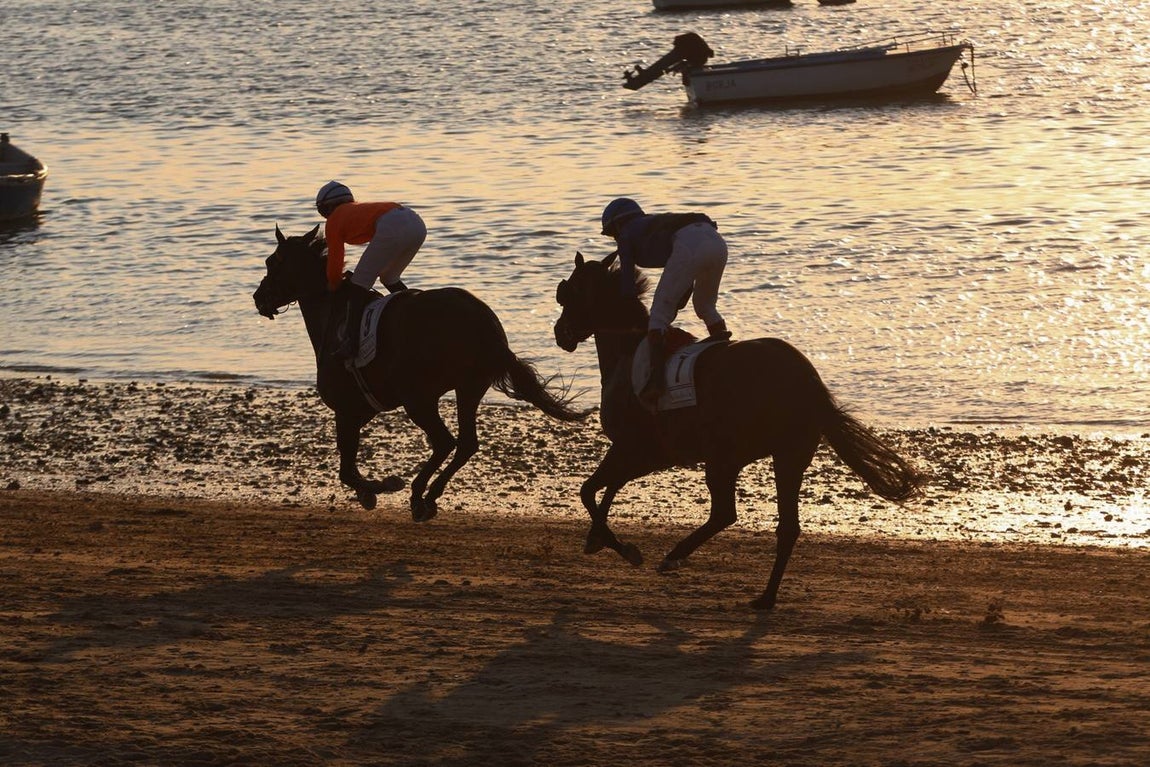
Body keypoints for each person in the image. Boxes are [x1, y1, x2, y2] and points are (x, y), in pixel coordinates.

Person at [600, 197, 731, 404]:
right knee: (705, 305)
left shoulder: (626, 234)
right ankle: (726, 349)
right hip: (716, 241)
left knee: (658, 317)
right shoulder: (652, 226)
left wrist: (630, 307)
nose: (615, 238)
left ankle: (656, 379)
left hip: (690, 243)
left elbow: (627, 280)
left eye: (611, 233)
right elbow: (682, 269)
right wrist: (676, 302)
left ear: (617, 224)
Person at [315, 181, 427, 359]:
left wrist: (334, 284)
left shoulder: (334, 220)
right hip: (416, 223)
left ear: (326, 208)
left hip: (392, 225)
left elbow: (335, 260)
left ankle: (351, 344)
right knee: (389, 277)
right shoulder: (357, 209)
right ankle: (420, 311)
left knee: (357, 287)